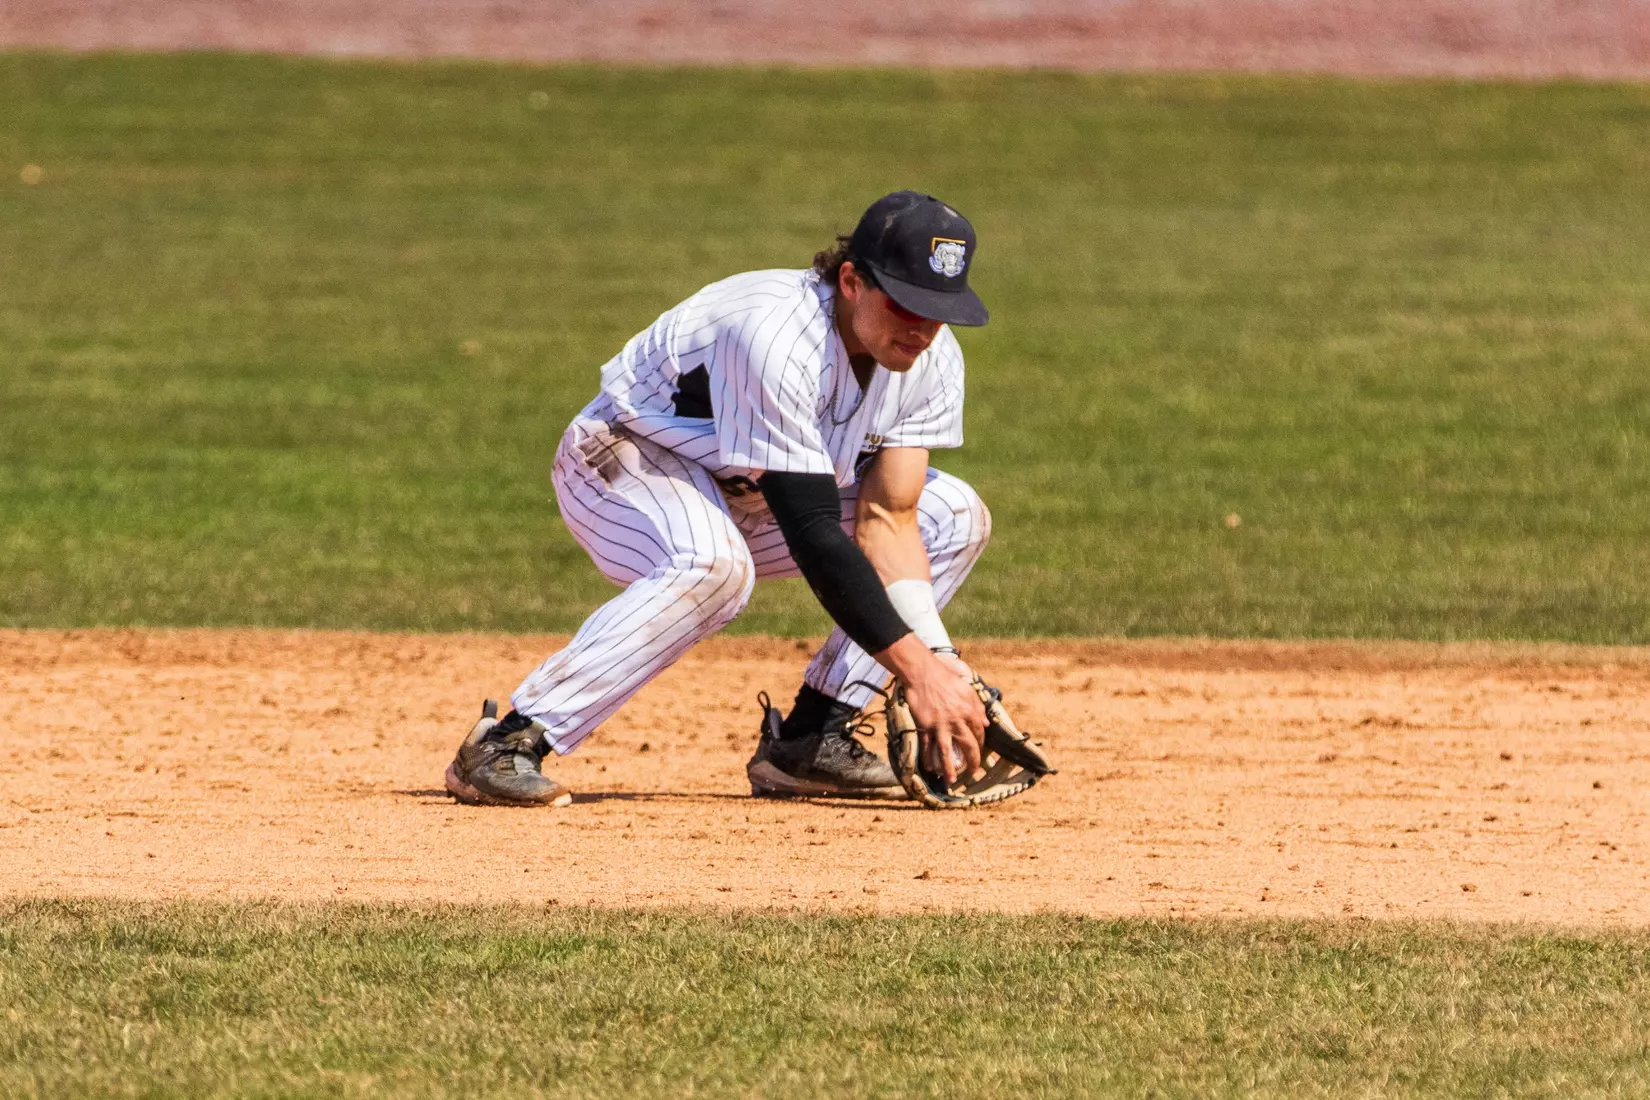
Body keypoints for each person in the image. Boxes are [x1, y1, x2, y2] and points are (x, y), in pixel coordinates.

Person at [444, 191, 995, 807]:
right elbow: (813, 529)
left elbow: (887, 517)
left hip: (753, 499)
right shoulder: (774, 333)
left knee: (954, 514)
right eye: (907, 304)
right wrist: (917, 672)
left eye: (939, 310)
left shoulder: (932, 358)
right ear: (850, 281)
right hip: (624, 465)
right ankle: (508, 742)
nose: (922, 328)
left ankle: (814, 739)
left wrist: (942, 665)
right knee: (715, 566)